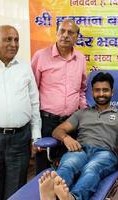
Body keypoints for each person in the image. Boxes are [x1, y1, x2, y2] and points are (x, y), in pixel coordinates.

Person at [38, 72, 118, 200]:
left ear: (112, 92)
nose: (101, 94)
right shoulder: (81, 113)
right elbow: (58, 130)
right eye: (97, 90)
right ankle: (52, 194)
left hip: (105, 153)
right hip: (80, 150)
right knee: (69, 163)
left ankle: (73, 197)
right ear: (92, 92)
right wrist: (66, 138)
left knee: (92, 168)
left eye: (105, 90)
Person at [0, 25, 41, 200]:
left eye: (16, 40)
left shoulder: (25, 67)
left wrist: (36, 136)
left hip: (20, 141)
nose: (13, 44)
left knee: (16, 192)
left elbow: (34, 103)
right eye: (8, 39)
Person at [31, 19, 87, 174]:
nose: (65, 35)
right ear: (56, 33)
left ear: (76, 37)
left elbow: (82, 89)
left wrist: (84, 112)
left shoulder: (81, 59)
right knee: (44, 170)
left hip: (71, 122)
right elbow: (32, 90)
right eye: (62, 31)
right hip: (46, 121)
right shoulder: (41, 56)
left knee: (69, 166)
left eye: (70, 32)